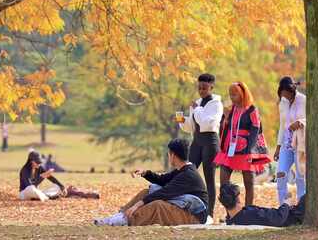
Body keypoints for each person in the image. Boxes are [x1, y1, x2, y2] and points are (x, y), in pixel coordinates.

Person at [94, 138, 209, 226]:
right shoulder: (183, 170)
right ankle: (121, 215)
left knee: (158, 205)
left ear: (173, 155)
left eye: (169, 153)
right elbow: (163, 180)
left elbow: (165, 192)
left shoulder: (188, 175)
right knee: (147, 192)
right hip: (185, 208)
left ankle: (126, 219)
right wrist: (145, 173)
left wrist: (138, 205)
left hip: (194, 216)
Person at [214, 82, 271, 207]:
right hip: (230, 148)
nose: (232, 97)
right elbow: (224, 128)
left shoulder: (252, 109)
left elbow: (256, 128)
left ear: (242, 94)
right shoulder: (231, 109)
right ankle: (231, 210)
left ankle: (248, 210)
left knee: (249, 183)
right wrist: (225, 117)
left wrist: (250, 149)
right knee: (224, 181)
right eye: (230, 95)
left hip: (246, 149)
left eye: (234, 95)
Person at [219, 182, 318, 228]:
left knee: (309, 197)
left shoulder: (235, 217)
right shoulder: (247, 215)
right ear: (238, 199)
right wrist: (286, 203)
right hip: (292, 217)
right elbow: (277, 219)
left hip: (291, 214)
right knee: (313, 196)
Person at [178, 73, 223, 222]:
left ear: (211, 87)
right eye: (199, 88)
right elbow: (192, 126)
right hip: (196, 142)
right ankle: (186, 207)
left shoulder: (216, 104)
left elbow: (208, 124)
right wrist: (183, 120)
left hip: (210, 142)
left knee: (209, 179)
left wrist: (197, 110)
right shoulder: (197, 103)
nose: (201, 91)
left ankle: (209, 215)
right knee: (186, 172)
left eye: (204, 88)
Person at [274, 76, 306, 205]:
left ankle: (302, 206)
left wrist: (300, 122)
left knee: (300, 177)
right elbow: (282, 126)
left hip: (300, 144)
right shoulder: (282, 103)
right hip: (286, 145)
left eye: (286, 94)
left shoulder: (304, 100)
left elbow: (312, 119)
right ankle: (284, 205)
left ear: (292, 90)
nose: (285, 98)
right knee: (281, 174)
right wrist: (278, 147)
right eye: (282, 95)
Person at [19, 151, 100, 201]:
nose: (39, 164)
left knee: (56, 187)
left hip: (37, 193)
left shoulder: (39, 168)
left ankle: (46, 197)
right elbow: (30, 186)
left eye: (40, 162)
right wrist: (43, 176)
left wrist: (61, 186)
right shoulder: (25, 170)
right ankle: (48, 197)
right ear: (31, 161)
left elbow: (50, 177)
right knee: (31, 188)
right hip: (25, 194)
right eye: (37, 162)